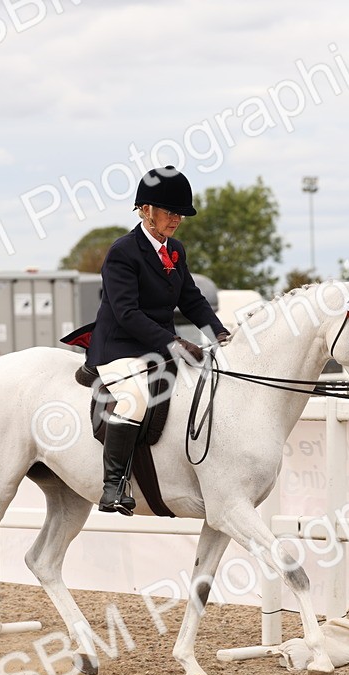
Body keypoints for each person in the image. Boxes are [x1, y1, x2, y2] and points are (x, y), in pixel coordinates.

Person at [85, 165, 229, 515]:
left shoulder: (174, 250)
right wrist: (175, 344)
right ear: (145, 209)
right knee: (133, 398)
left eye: (180, 213)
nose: (176, 218)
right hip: (119, 346)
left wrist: (220, 334)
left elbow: (192, 299)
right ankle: (114, 484)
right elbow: (127, 313)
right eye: (169, 211)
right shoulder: (123, 252)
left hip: (156, 346)